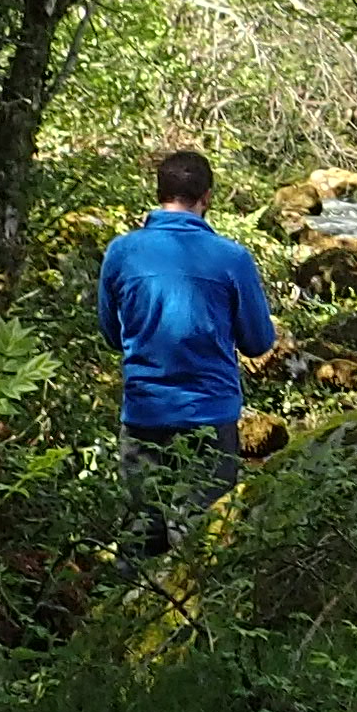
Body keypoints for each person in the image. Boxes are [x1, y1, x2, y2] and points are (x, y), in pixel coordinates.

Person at [96, 145, 276, 533]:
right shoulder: (231, 258)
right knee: (201, 540)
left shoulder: (121, 253)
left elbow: (112, 333)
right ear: (207, 198)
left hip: (145, 411)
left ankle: (133, 592)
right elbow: (259, 342)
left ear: (158, 193)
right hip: (210, 416)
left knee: (140, 535)